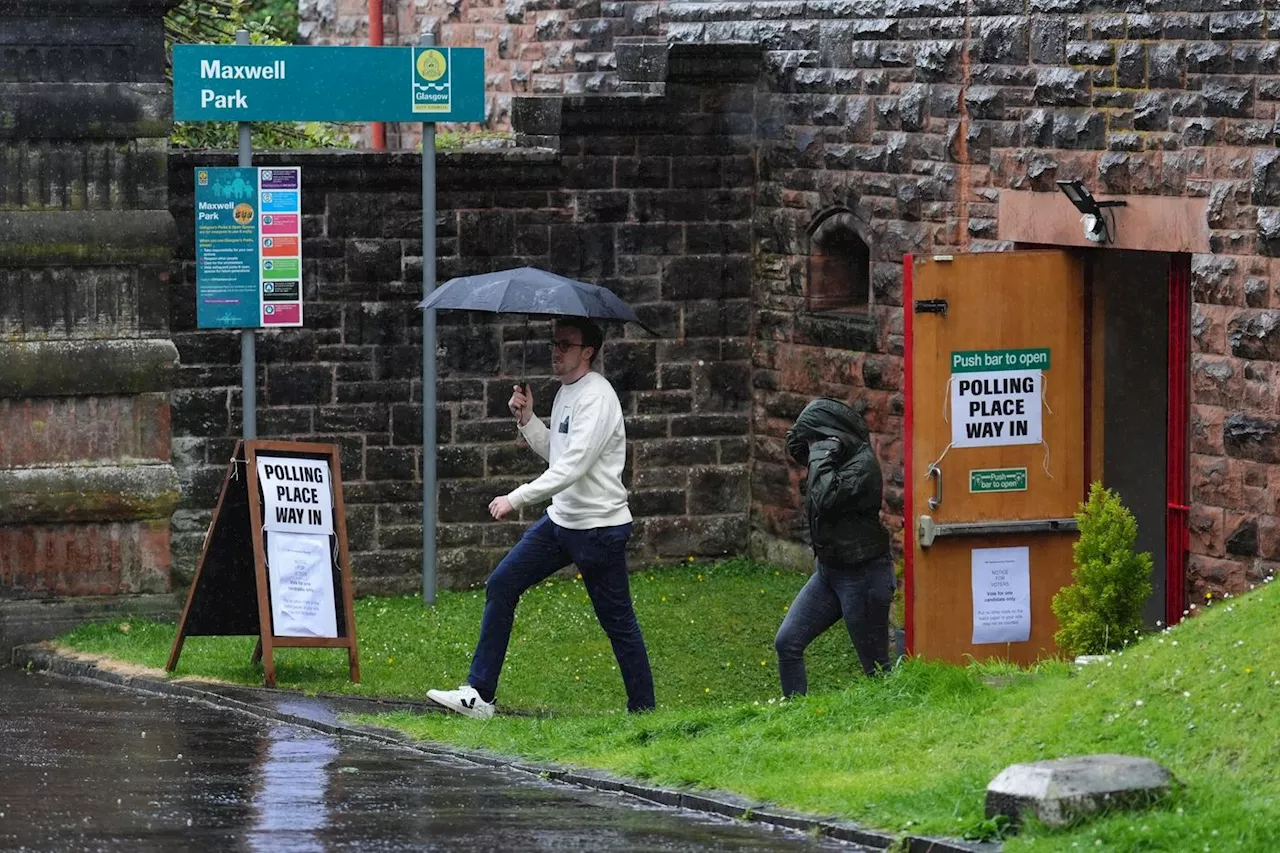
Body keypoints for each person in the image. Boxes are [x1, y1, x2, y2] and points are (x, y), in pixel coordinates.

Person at [427, 317, 655, 719]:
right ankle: (480, 695)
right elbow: (559, 453)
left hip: (599, 528)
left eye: (566, 344)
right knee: (502, 583)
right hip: (562, 522)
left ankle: (645, 713)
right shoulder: (567, 392)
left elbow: (574, 468)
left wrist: (515, 498)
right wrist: (529, 419)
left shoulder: (598, 397)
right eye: (554, 342)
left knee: (618, 623)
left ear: (588, 351)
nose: (556, 350)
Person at [774, 397, 895, 697]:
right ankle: (794, 720)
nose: (814, 446)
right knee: (787, 643)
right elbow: (800, 452)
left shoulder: (863, 465)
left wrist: (822, 451)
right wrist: (804, 437)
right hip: (829, 572)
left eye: (819, 439)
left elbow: (824, 498)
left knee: (877, 670)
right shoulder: (831, 460)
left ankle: (892, 723)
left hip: (863, 575)